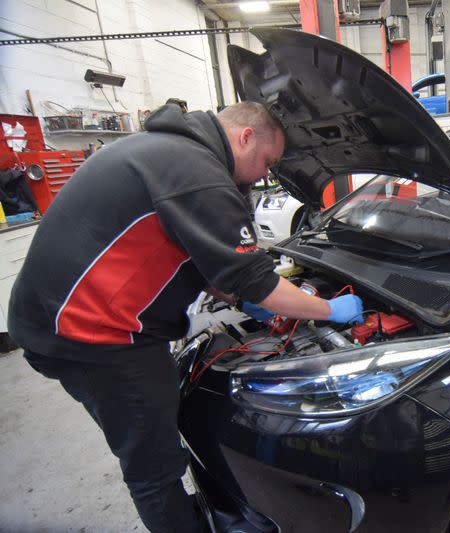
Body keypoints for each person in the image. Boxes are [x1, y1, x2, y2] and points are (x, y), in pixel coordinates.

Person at [8, 101, 363, 532]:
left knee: (158, 427)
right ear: (245, 137)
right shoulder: (197, 173)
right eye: (266, 162)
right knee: (153, 464)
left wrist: (241, 296)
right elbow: (258, 281)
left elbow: (204, 259)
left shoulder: (171, 152)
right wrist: (328, 309)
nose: (262, 176)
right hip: (92, 335)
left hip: (69, 320)